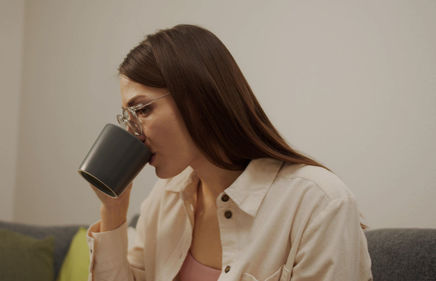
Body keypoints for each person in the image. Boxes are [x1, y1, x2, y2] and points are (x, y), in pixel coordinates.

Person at [86, 24, 372, 281]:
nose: (133, 133)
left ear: (196, 99)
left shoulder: (319, 203)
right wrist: (113, 209)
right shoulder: (164, 199)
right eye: (127, 117)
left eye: (143, 110)